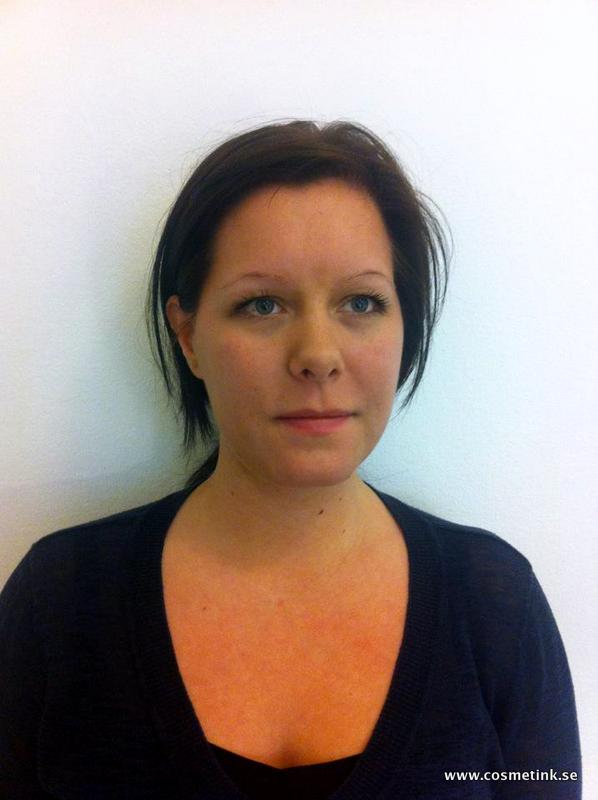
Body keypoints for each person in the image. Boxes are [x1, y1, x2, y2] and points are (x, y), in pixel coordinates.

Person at [0, 120, 581, 799]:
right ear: (188, 336)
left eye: (361, 302)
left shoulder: (495, 608)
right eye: (262, 304)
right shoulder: (59, 603)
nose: (317, 356)